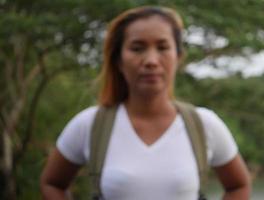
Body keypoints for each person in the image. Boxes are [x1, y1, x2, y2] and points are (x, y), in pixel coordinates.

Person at [40, 6, 251, 200]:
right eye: (137, 48)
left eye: (162, 47)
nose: (151, 60)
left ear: (178, 56)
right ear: (119, 60)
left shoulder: (203, 124)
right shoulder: (91, 124)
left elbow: (239, 185)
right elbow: (52, 183)